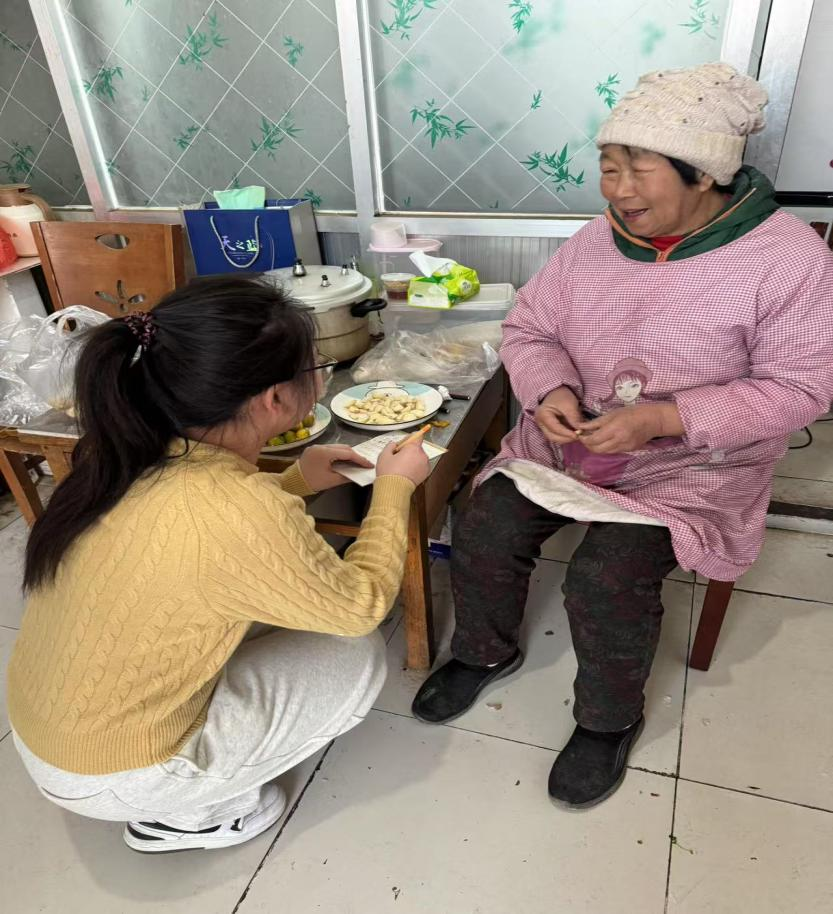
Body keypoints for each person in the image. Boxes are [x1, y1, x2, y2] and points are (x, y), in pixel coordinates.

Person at [412, 63, 833, 808]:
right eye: (609, 167)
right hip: (574, 440)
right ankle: (483, 652)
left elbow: (801, 389)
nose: (619, 190)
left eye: (640, 170)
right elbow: (530, 328)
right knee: (485, 524)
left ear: (705, 174)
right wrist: (551, 392)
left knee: (605, 576)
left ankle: (607, 721)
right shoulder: (597, 241)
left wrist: (663, 419)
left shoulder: (789, 258)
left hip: (694, 463)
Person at [7, 275, 429, 852]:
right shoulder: (234, 507)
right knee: (354, 654)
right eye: (316, 369)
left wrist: (297, 480)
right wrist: (395, 488)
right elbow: (361, 606)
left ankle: (166, 790)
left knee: (268, 604)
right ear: (274, 400)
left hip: (54, 730)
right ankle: (193, 815)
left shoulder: (123, 449)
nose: (320, 379)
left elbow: (204, 540)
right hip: (114, 769)